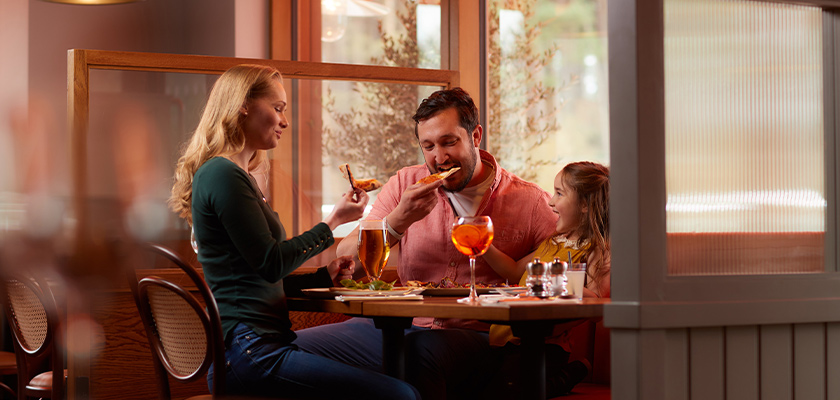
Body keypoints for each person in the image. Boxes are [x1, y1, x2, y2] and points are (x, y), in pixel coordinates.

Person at [169, 64, 420, 400]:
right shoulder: (222, 175)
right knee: (400, 395)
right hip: (248, 353)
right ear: (243, 104)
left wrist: (325, 276)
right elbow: (272, 263)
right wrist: (331, 223)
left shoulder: (232, 175)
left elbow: (260, 278)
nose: (284, 121)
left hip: (254, 349)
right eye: (278, 108)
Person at [293, 87, 557, 399]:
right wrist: (398, 220)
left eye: (449, 142)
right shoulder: (405, 184)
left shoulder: (530, 201)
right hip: (396, 325)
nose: (439, 158)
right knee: (286, 347)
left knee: (416, 355)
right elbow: (349, 260)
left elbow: (575, 259)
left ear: (475, 136)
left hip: (477, 335)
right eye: (428, 146)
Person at [480, 161, 611, 398]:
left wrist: (564, 284)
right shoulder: (554, 242)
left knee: (507, 392)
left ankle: (570, 374)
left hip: (545, 345)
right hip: (505, 340)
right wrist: (482, 246)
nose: (550, 201)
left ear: (585, 204)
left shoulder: (597, 250)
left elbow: (598, 308)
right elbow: (514, 271)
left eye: (559, 193)